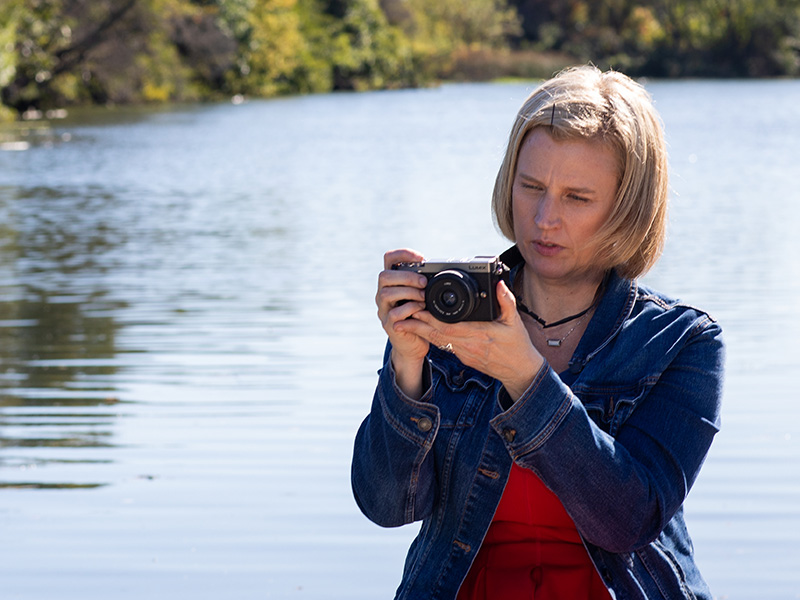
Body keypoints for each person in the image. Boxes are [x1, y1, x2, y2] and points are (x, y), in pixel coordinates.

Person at [351, 65, 724, 600]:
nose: (545, 218)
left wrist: (525, 377)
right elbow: (387, 507)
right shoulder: (453, 313)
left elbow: (627, 522)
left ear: (627, 209)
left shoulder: (681, 343)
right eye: (531, 187)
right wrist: (407, 370)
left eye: (577, 198)